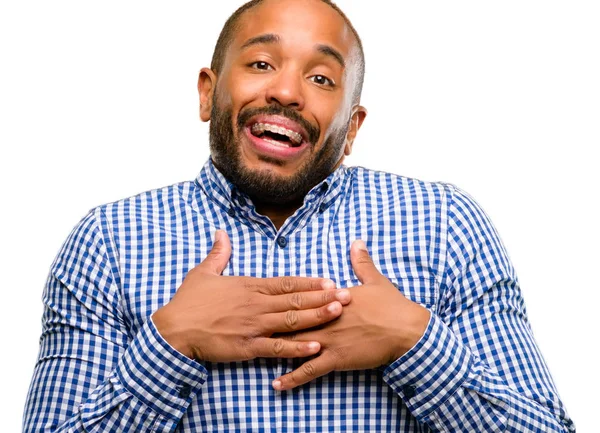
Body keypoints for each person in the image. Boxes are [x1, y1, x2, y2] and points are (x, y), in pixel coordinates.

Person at [23, 0, 575, 431]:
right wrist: (171, 343)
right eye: (261, 63)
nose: (286, 92)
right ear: (207, 95)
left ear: (352, 128)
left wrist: (415, 342)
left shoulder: (446, 225)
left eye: (321, 78)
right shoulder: (109, 241)